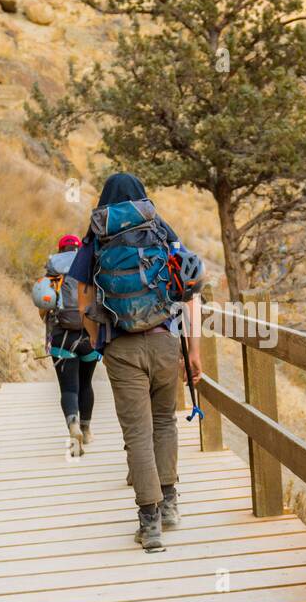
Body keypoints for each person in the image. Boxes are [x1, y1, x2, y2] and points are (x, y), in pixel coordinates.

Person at [71, 173, 203, 552]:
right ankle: (171, 503)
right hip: (165, 341)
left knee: (137, 434)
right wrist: (192, 350)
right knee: (165, 422)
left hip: (121, 346)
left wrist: (95, 337)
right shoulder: (158, 228)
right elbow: (189, 287)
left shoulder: (97, 234)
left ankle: (150, 524)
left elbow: (82, 294)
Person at [38, 233, 100, 453]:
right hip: (89, 337)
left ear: (60, 250)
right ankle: (87, 428)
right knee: (86, 384)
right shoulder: (89, 267)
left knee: (69, 389)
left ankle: (73, 425)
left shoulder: (53, 274)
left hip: (61, 340)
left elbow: (43, 310)